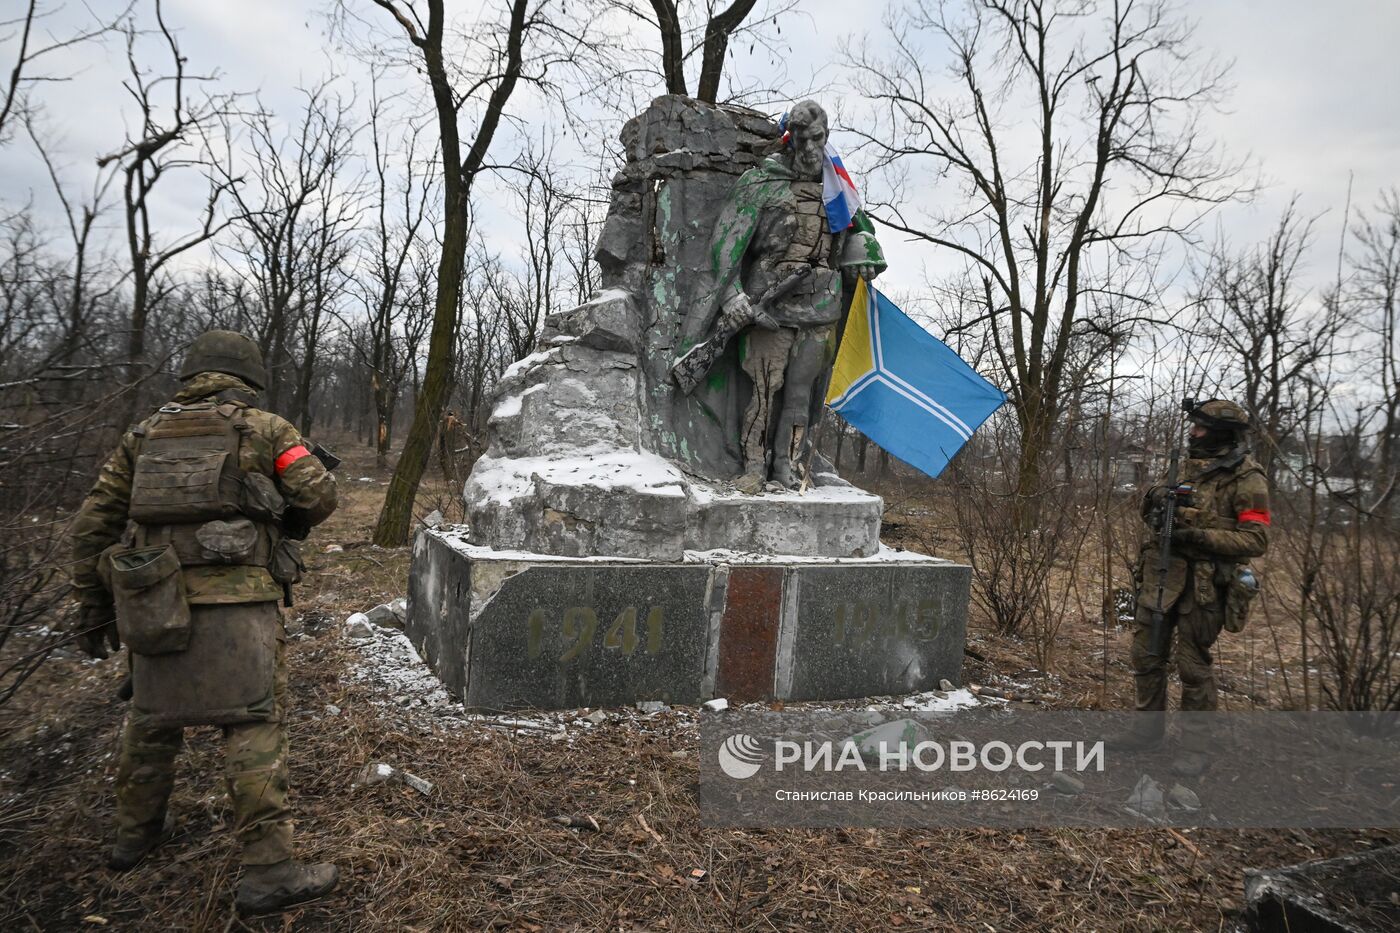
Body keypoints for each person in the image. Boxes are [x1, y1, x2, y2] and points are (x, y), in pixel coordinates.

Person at [69, 330, 339, 915]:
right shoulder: (268, 430)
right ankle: (269, 871)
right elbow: (317, 496)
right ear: (249, 375)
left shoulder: (142, 435)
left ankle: (131, 837)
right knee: (253, 722)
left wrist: (93, 605)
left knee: (152, 714)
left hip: (154, 600)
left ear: (189, 374)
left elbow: (94, 523)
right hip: (240, 604)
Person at [678, 100, 885, 493]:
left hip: (821, 308)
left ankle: (786, 467)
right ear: (789, 139)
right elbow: (725, 245)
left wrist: (863, 258)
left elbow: (862, 235)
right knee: (763, 389)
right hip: (767, 306)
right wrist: (732, 296)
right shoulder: (761, 182)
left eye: (819, 139)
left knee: (801, 392)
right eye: (803, 140)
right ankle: (754, 466)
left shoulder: (837, 187)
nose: (811, 150)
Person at [1114, 399, 1270, 775]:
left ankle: (1195, 749)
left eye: (1200, 428)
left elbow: (1256, 540)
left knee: (1192, 667)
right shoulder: (1183, 469)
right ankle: (1145, 734)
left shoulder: (1247, 478)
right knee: (1146, 657)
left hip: (1204, 588)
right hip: (1161, 578)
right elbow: (1153, 511)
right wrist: (1155, 501)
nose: (1193, 433)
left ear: (1220, 433)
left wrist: (1197, 533)